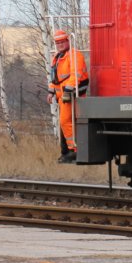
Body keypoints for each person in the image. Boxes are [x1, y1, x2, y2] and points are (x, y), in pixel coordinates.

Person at [47, 29, 89, 163]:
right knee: (63, 124)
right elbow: (55, 79)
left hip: (71, 95)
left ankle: (73, 150)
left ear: (67, 41)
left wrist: (67, 91)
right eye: (57, 42)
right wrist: (51, 91)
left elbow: (75, 76)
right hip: (62, 97)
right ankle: (66, 152)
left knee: (66, 122)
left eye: (62, 42)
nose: (59, 44)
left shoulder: (74, 56)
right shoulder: (57, 57)